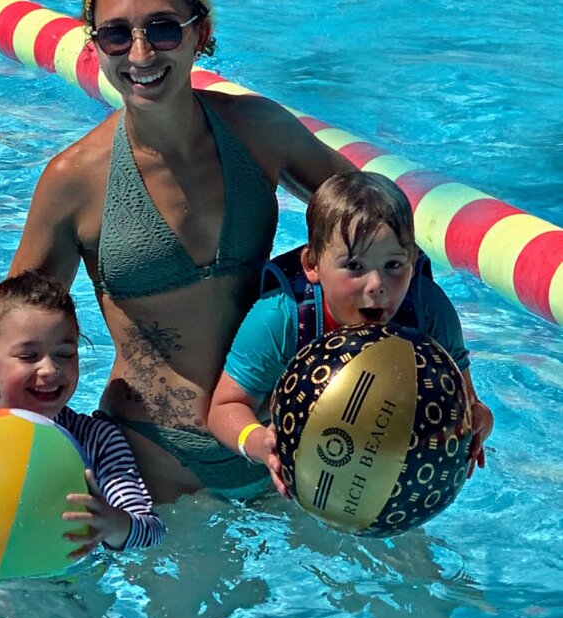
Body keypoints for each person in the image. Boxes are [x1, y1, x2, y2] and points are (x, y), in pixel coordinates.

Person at [0, 0, 353, 502]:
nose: (142, 54)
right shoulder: (75, 180)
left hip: (279, 440)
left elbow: (383, 237)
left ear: (201, 32)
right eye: (117, 34)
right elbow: (2, 329)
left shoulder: (260, 133)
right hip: (151, 460)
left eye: (163, 28)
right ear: (95, 45)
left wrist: (452, 379)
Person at [207, 171, 494, 495]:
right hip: (288, 473)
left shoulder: (428, 312)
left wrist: (479, 421)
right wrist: (260, 443)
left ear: (413, 261)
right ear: (312, 264)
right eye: (355, 267)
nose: (376, 286)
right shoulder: (283, 316)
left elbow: (469, 404)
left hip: (386, 478)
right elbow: (224, 407)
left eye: (394, 265)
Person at [0, 271, 165, 559]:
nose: (49, 369)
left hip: (67, 591)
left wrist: (111, 524)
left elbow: (152, 532)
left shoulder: (95, 440)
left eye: (65, 354)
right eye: (28, 356)